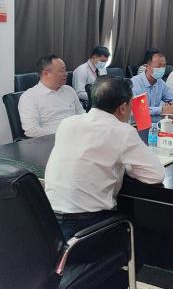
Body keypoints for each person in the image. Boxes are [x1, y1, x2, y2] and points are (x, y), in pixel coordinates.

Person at [44, 76, 165, 238]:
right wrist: (126, 165)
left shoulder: (67, 123)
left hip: (50, 224)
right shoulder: (122, 131)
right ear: (123, 107)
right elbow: (156, 175)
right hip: (89, 229)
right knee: (146, 233)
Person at [18, 54, 85, 138]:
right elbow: (32, 131)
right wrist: (64, 132)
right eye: (61, 71)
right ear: (46, 73)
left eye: (65, 70)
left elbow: (82, 115)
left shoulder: (69, 90)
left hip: (77, 136)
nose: (66, 74)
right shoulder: (29, 97)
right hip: (51, 141)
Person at [131, 51, 173, 122]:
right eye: (159, 66)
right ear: (147, 67)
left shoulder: (160, 83)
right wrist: (162, 110)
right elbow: (138, 110)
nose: (162, 69)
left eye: (164, 66)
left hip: (157, 122)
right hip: (138, 124)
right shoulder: (135, 83)